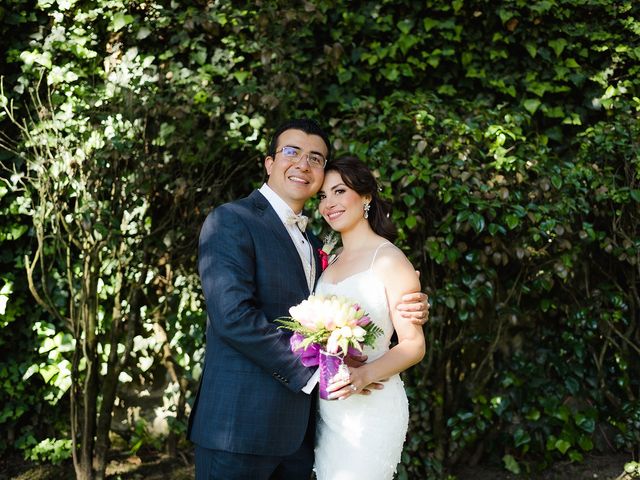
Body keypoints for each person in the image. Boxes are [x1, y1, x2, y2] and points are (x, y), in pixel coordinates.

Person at [188, 119, 428, 480]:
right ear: (269, 163)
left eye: (315, 158)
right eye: (291, 152)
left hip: (303, 435)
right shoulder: (230, 220)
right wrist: (319, 374)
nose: (303, 164)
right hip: (239, 428)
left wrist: (410, 301)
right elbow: (233, 316)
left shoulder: (317, 245)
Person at [313, 156, 427, 480]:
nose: (329, 203)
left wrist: (363, 376)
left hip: (372, 406)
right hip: (330, 410)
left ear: (365, 197)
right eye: (322, 196)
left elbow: (414, 345)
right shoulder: (329, 259)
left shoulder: (389, 259)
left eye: (339, 191)